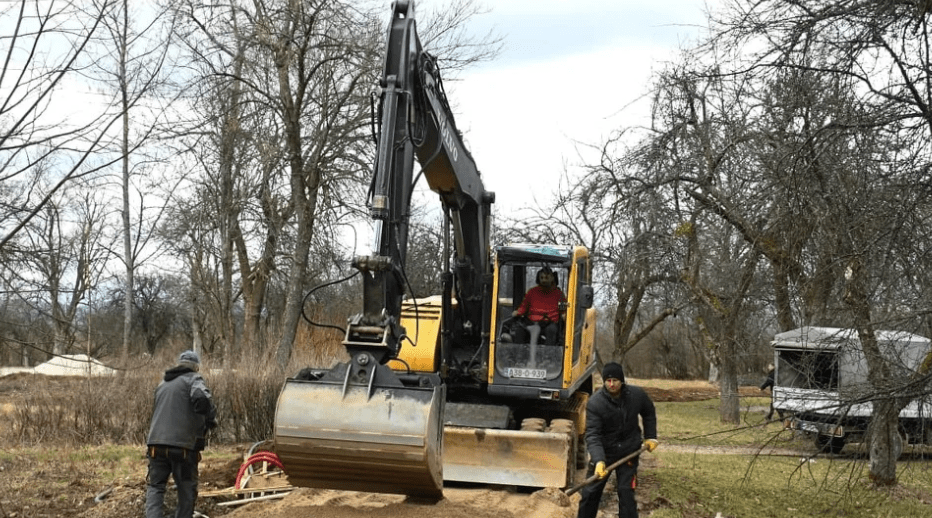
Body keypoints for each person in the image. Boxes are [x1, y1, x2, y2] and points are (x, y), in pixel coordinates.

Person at [577, 362, 658, 518]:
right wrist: (599, 460)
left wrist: (651, 436)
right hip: (605, 453)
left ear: (622, 380)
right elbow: (593, 435)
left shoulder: (636, 395)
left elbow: (649, 412)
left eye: (615, 380)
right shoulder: (595, 403)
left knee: (626, 491)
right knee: (590, 493)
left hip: (629, 450)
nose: (611, 384)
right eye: (608, 380)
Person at [145, 350, 217, 518]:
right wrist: (208, 420)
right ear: (196, 367)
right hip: (182, 447)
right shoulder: (193, 379)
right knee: (186, 488)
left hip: (155, 444)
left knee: (156, 487)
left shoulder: (162, 384)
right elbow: (202, 398)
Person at [512, 266, 566, 345]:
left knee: (552, 330)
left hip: (549, 323)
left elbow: (563, 310)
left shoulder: (559, 294)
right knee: (519, 330)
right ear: (538, 278)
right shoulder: (532, 292)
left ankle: (548, 354)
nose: (544, 280)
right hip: (531, 322)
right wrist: (517, 312)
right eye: (542, 277)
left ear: (552, 278)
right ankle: (518, 353)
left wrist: (564, 316)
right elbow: (524, 306)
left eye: (546, 277)